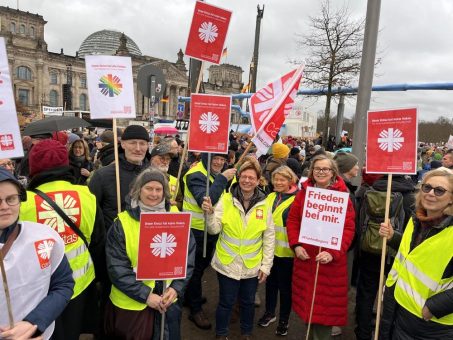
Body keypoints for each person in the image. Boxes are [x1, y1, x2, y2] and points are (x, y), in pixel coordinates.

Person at [19, 139, 106, 340]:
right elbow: (98, 241)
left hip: (40, 290)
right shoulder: (86, 195)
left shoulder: (24, 202)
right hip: (80, 284)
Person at [105, 168, 195, 339]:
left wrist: (176, 288)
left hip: (169, 299)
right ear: (139, 190)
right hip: (134, 305)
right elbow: (117, 267)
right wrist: (146, 295)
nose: (154, 194)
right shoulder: (122, 223)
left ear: (164, 192)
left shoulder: (176, 217)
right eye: (149, 188)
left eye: (158, 189)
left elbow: (187, 257)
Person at [202, 159, 275, 340]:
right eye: (244, 176)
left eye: (252, 177)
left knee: (248, 303)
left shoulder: (265, 204)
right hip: (227, 263)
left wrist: (266, 266)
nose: (247, 181)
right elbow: (214, 229)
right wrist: (209, 213)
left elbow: (269, 237)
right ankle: (221, 334)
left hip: (252, 267)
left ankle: (246, 333)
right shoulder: (226, 199)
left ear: (258, 181)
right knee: (226, 302)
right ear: (238, 178)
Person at [286, 154, 355, 340]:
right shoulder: (304, 193)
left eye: (325, 169)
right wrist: (296, 244)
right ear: (312, 171)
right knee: (308, 312)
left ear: (333, 172)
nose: (321, 172)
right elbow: (292, 220)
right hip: (306, 260)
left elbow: (348, 229)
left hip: (330, 265)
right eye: (317, 169)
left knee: (324, 317)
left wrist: (332, 253)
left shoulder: (342, 196)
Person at [0, 168, 74, 340]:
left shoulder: (45, 237)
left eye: (11, 199)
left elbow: (63, 285)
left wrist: (34, 323)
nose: (4, 207)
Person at [379, 167, 453, 339]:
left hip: (429, 325)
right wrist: (394, 238)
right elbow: (416, 255)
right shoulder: (417, 219)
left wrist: (434, 307)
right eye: (426, 187)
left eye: (439, 190)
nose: (430, 193)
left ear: (451, 199)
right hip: (398, 307)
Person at [183, 153, 237, 329]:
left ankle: (192, 296)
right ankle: (195, 309)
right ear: (206, 158)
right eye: (216, 158)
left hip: (211, 229)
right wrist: (222, 178)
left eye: (223, 159)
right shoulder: (195, 174)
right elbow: (206, 201)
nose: (219, 162)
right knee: (195, 270)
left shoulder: (212, 174)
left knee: (201, 268)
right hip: (196, 230)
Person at [257, 166, 298, 336]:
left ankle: (284, 320)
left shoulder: (297, 199)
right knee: (271, 285)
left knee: (286, 289)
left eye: (282, 179)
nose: (278, 182)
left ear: (291, 181)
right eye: (276, 179)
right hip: (269, 252)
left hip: (288, 254)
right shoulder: (270, 197)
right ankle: (270, 313)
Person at [89, 125, 150, 230]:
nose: (138, 148)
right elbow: (91, 214)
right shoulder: (102, 176)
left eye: (142, 143)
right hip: (112, 242)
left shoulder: (155, 176)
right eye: (133, 143)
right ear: (123, 144)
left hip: (145, 241)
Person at [149, 143, 183, 211]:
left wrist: (174, 203)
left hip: (169, 220)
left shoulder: (174, 180)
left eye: (168, 159)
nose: (165, 162)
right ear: (152, 159)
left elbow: (180, 202)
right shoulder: (142, 178)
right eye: (162, 158)